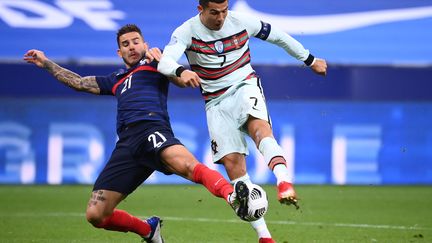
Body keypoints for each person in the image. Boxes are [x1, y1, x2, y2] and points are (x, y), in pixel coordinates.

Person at [23, 24, 251, 243]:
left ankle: (234, 197)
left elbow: (177, 77)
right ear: (119, 51)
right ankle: (148, 229)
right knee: (96, 214)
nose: (131, 46)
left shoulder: (155, 63)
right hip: (126, 145)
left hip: (152, 130)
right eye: (125, 44)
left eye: (135, 42)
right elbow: (80, 82)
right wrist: (46, 63)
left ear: (145, 44)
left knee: (190, 167)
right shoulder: (116, 79)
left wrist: (170, 66)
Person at [158, 0, 328, 242]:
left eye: (224, 11)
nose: (221, 17)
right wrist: (181, 71)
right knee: (233, 167)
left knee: (259, 129)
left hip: (243, 85)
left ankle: (284, 182)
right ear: (201, 10)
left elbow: (278, 36)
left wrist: (309, 60)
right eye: (214, 12)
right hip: (215, 102)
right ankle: (265, 236)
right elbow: (165, 62)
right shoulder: (186, 31)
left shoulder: (240, 22)